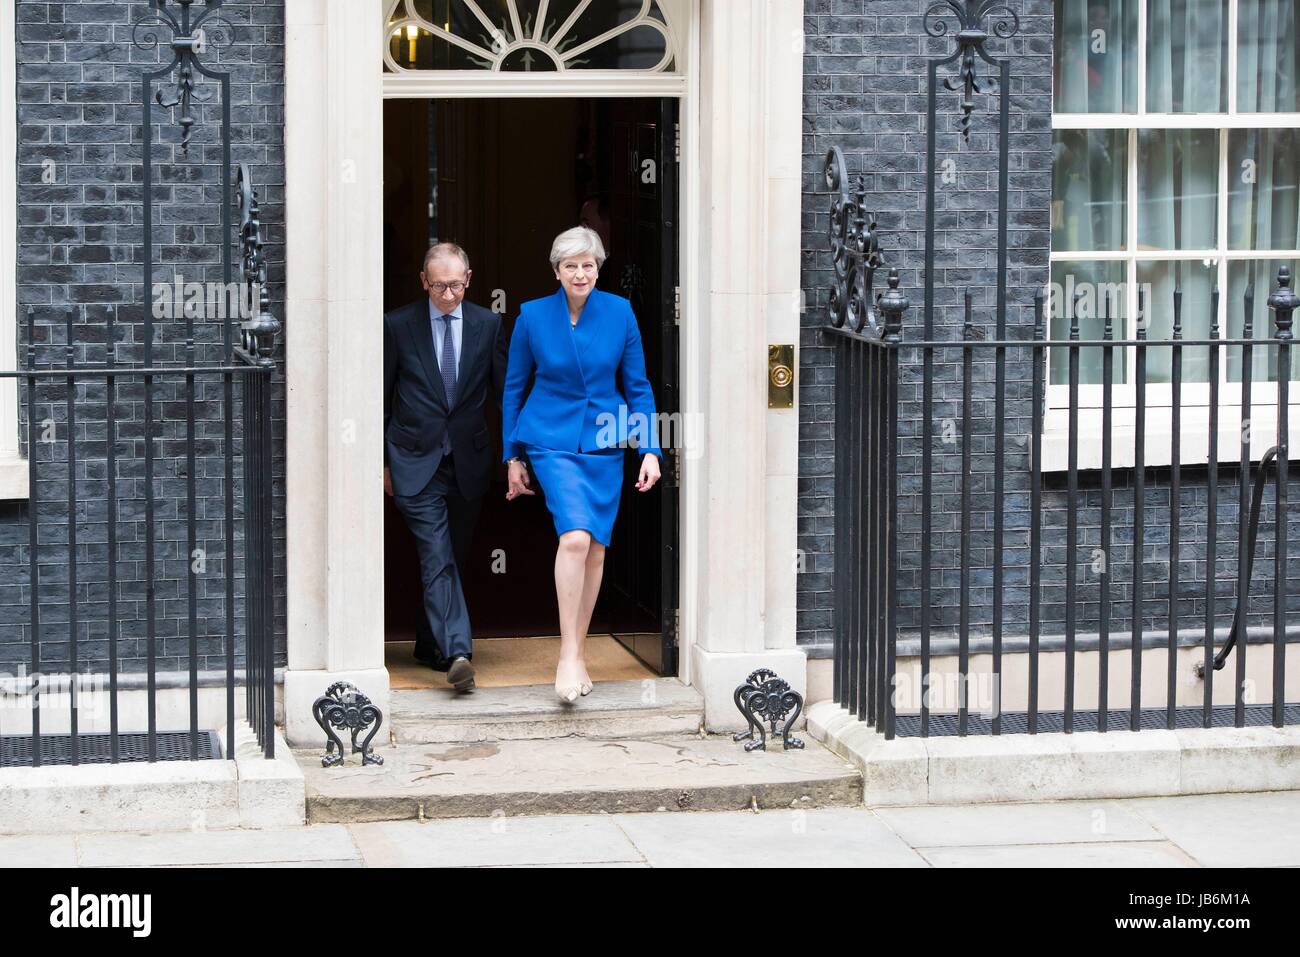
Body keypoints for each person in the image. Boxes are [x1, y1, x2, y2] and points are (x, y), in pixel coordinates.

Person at [502, 226, 662, 702]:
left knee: (595, 549)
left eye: (588, 264)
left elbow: (638, 386)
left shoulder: (620, 312)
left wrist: (650, 448)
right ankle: (569, 653)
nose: (580, 273)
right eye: (570, 265)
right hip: (550, 440)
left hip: (606, 441)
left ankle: (579, 648)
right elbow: (513, 389)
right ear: (556, 271)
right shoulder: (532, 316)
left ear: (598, 268)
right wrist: (512, 456)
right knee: (573, 538)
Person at [384, 242, 507, 693]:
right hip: (414, 459)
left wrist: (514, 455)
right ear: (424, 281)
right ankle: (457, 651)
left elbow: (502, 396)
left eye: (456, 285)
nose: (448, 294)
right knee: (437, 555)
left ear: (469, 279)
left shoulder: (488, 324)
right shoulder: (397, 326)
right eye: (439, 286)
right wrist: (381, 463)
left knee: (450, 556)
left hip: (468, 462)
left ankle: (429, 644)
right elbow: (381, 394)